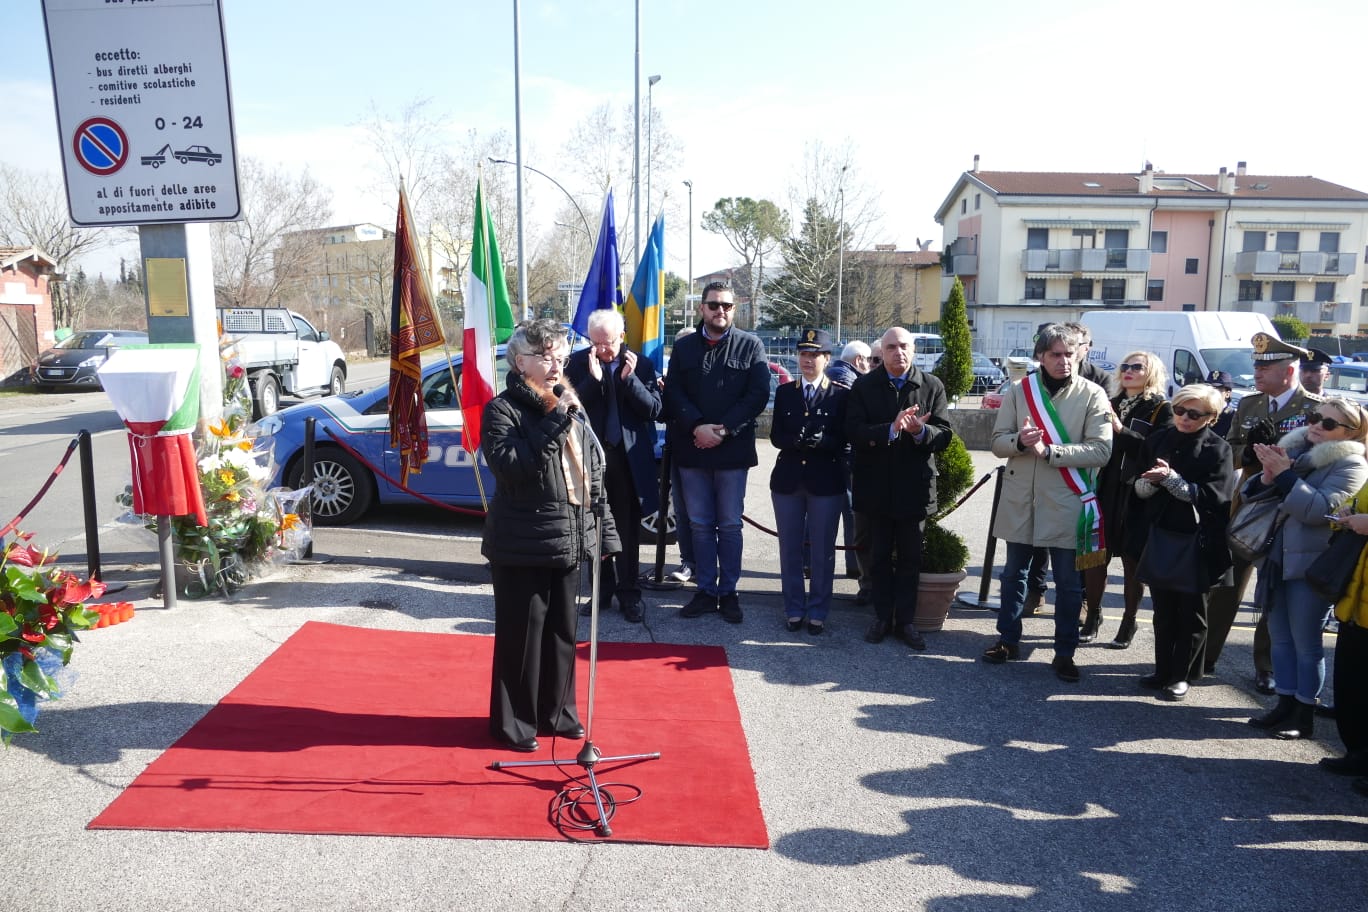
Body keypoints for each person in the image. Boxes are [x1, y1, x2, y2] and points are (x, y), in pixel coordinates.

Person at [482, 319, 620, 753]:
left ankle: (558, 714)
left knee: (563, 633)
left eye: (560, 356)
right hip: (522, 543)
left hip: (570, 538)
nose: (556, 364)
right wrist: (555, 422)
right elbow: (512, 468)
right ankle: (515, 724)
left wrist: (605, 536)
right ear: (520, 362)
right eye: (546, 356)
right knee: (522, 636)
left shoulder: (570, 405)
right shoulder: (502, 410)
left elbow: (591, 479)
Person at [982, 324, 1112, 683]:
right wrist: (1021, 443)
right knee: (1013, 576)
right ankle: (1007, 639)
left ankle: (1065, 652)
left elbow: (1102, 450)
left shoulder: (1093, 394)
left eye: (1069, 354)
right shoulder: (1020, 391)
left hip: (1067, 500)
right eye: (1055, 354)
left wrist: (1051, 451)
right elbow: (996, 442)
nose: (1063, 361)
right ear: (1040, 356)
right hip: (1022, 497)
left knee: (1069, 585)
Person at [1245, 397, 1368, 740]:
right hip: (1279, 557)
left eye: (1328, 423)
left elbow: (1318, 511)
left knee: (1306, 643)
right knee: (1280, 640)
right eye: (1315, 416)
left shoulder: (1352, 464)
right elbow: (1251, 492)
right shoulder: (1298, 451)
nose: (1316, 425)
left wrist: (1283, 476)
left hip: (1311, 564)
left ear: (1352, 432)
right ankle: (1284, 705)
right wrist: (1268, 478)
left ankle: (1303, 713)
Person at [1207, 333, 1321, 693]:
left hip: (1288, 509)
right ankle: (1205, 656)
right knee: (1227, 583)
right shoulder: (1250, 404)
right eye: (1256, 365)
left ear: (1289, 371)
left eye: (1265, 366)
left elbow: (1321, 463)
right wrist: (1250, 453)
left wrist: (1283, 459)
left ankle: (1266, 666)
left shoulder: (1317, 409)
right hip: (1249, 505)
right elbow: (1232, 452)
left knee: (1272, 590)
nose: (1256, 372)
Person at [664, 280, 770, 624]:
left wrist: (722, 430)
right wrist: (697, 426)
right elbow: (674, 394)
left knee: (729, 525)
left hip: (732, 451)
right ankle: (706, 591)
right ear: (702, 308)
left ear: (734, 309)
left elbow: (757, 395)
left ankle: (729, 592)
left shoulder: (751, 346)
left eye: (726, 306)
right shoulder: (684, 348)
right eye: (714, 305)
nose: (720, 311)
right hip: (692, 448)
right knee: (699, 525)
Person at [846, 326, 953, 650]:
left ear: (914, 350)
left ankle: (905, 621)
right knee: (878, 558)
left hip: (913, 489)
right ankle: (881, 617)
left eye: (904, 346)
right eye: (891, 347)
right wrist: (889, 429)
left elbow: (945, 435)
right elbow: (853, 432)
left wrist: (921, 432)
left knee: (910, 559)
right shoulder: (864, 386)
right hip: (875, 488)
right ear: (883, 350)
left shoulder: (931, 386)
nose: (898, 352)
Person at [1132, 384, 1235, 701]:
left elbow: (1216, 498)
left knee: (1192, 613)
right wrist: (1147, 484)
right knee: (1163, 610)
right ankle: (1162, 670)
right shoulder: (1159, 438)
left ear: (1211, 417)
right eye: (1179, 410)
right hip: (1162, 533)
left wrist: (1173, 480)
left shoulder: (1218, 449)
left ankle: (1184, 675)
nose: (1184, 418)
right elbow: (1136, 484)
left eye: (1194, 413)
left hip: (1198, 540)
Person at [565, 308, 662, 623]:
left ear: (621, 337)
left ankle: (629, 593)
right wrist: (592, 382)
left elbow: (654, 411)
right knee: (593, 529)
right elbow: (569, 409)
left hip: (627, 461)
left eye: (608, 343)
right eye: (596, 343)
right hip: (590, 459)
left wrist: (630, 381)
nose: (602, 350)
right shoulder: (578, 363)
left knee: (626, 531)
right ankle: (601, 592)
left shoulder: (641, 363)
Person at [1084, 350, 1173, 647]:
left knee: (1133, 563)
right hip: (1105, 488)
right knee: (1096, 557)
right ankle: (1092, 616)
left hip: (1137, 494)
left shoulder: (1161, 409)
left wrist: (1122, 431)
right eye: (1125, 366)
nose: (1129, 371)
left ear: (1152, 373)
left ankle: (1129, 621)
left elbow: (1157, 450)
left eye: (1137, 366)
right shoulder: (1110, 403)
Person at [771, 328, 849, 634]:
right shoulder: (785, 392)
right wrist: (796, 439)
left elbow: (845, 440)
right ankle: (793, 608)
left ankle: (817, 610)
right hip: (788, 480)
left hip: (825, 482)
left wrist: (824, 441)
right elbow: (776, 435)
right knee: (789, 548)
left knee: (822, 551)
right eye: (803, 353)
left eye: (814, 354)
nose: (807, 359)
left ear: (827, 358)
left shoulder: (841, 394)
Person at [1321, 479, 1368, 775]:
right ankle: (1357, 754)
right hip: (1355, 597)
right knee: (1352, 681)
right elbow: (1354, 501)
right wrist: (1345, 515)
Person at [827, 339, 873, 598]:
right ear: (859, 360)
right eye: (869, 360)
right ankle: (855, 566)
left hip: (827, 454)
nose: (870, 365)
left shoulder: (830, 376)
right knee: (851, 512)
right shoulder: (852, 383)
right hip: (845, 456)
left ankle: (810, 562)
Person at [667, 327, 696, 584]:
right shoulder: (673, 378)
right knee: (683, 512)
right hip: (680, 450)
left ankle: (710, 563)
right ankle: (689, 561)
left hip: (712, 453)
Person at [1064, 321, 1110, 389]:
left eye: (1075, 344)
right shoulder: (1045, 372)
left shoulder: (1100, 378)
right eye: (1065, 343)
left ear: (1086, 348)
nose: (1070, 348)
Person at [1206, 370, 1237, 437]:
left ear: (1227, 394)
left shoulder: (1232, 416)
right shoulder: (1201, 412)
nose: (1212, 393)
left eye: (1217, 390)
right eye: (1209, 389)